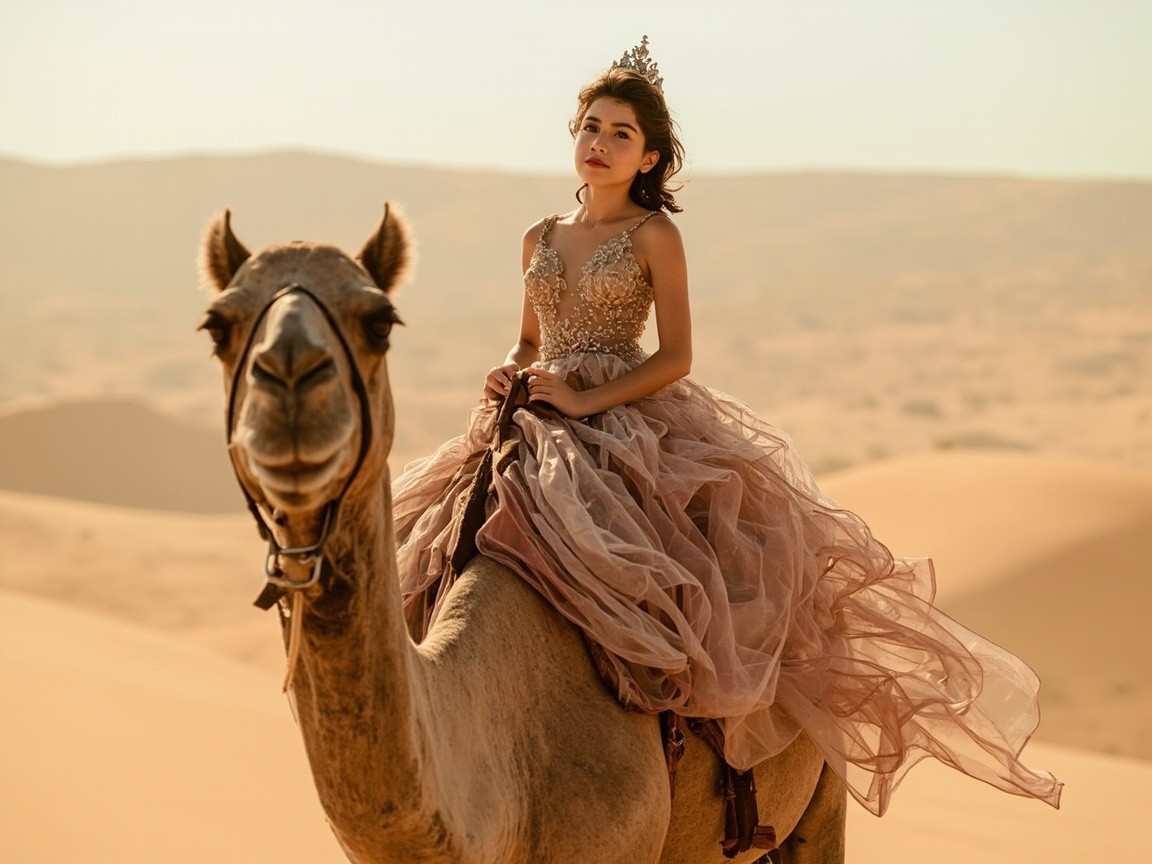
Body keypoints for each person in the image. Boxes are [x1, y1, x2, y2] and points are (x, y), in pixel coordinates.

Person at [391, 37, 1062, 816]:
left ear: (648, 159)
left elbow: (676, 356)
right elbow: (532, 336)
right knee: (440, 567)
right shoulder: (538, 236)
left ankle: (697, 767)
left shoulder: (652, 237)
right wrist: (511, 369)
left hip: (623, 424)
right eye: (591, 127)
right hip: (531, 420)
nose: (600, 145)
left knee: (666, 581)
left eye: (621, 136)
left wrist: (583, 402)